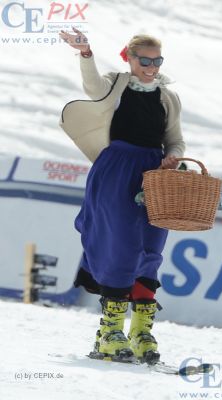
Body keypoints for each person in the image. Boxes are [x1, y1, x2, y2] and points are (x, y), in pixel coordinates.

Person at [59, 27, 186, 364]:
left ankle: (141, 330)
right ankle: (109, 330)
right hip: (116, 169)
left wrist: (172, 158)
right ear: (129, 59)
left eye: (157, 60)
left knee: (151, 244)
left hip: (154, 174)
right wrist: (86, 54)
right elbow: (92, 88)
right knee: (119, 243)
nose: (152, 66)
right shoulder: (115, 84)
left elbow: (175, 138)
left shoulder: (167, 96)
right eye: (145, 60)